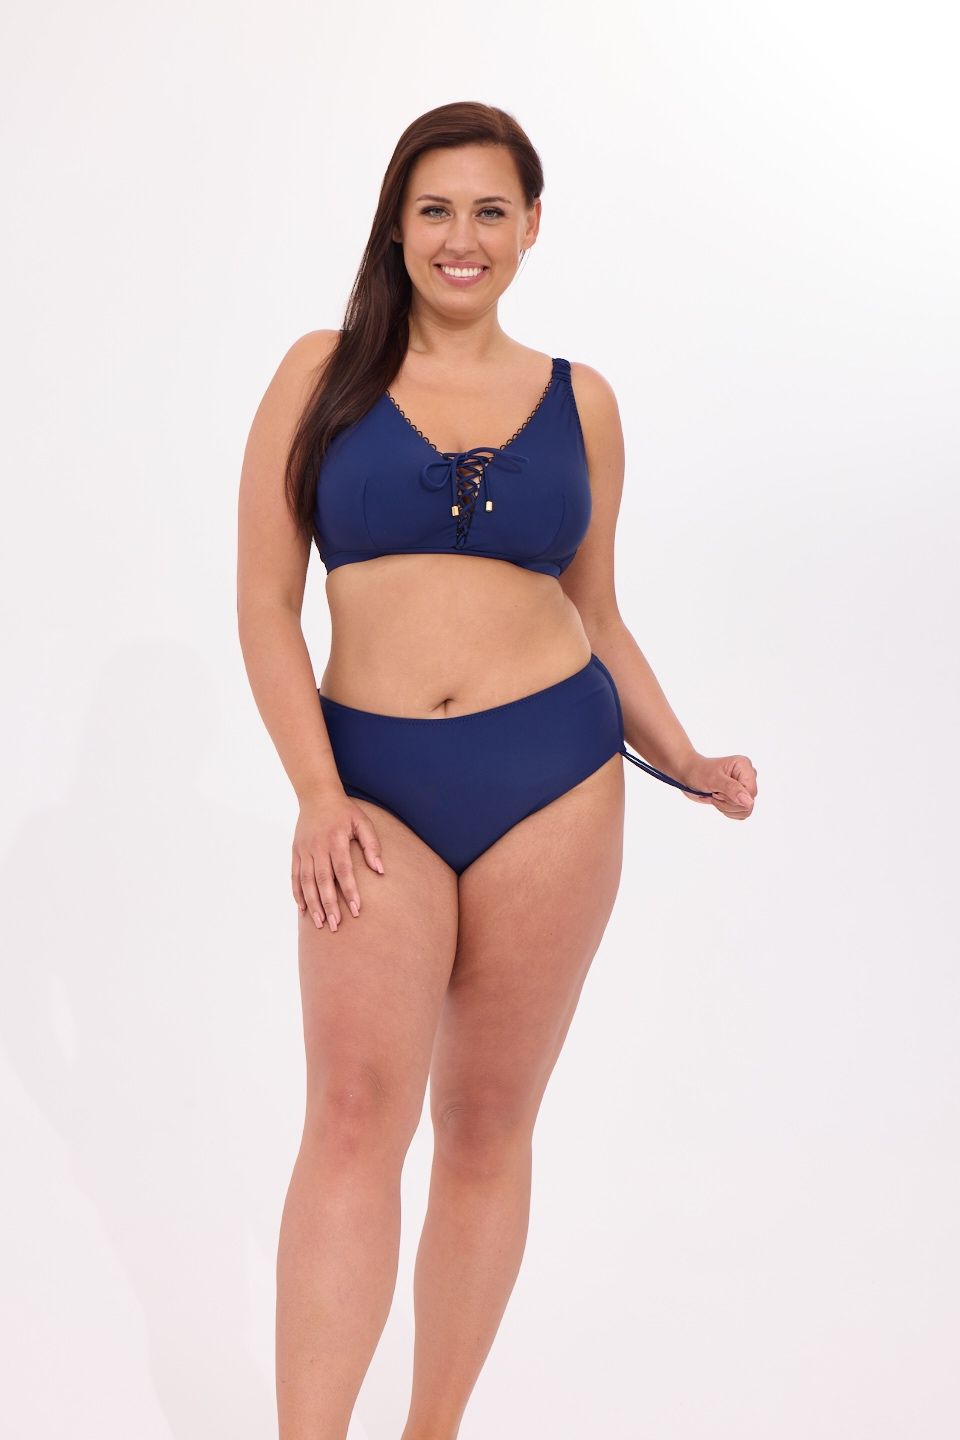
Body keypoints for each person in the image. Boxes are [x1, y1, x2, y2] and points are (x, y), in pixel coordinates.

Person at [237, 100, 757, 1440]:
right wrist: (315, 795)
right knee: (353, 1115)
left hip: (556, 779)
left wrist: (686, 756)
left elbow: (600, 610)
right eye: (433, 209)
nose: (460, 237)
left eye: (488, 211)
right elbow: (264, 604)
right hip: (370, 791)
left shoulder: (585, 402)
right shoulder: (319, 373)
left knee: (484, 1125)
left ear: (530, 228)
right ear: (395, 226)